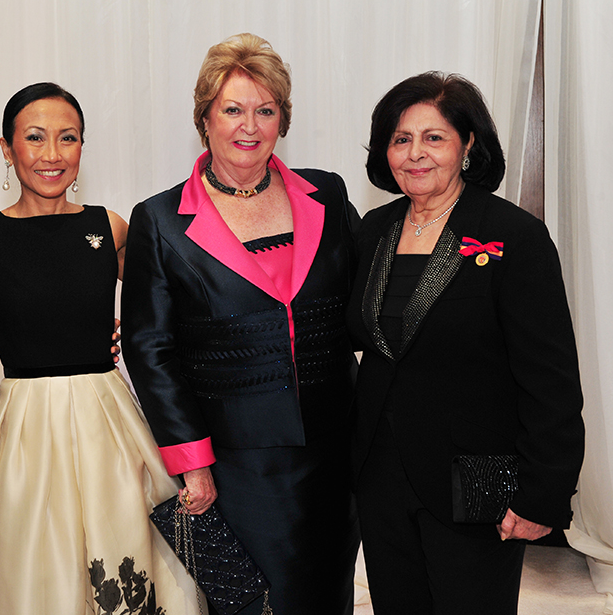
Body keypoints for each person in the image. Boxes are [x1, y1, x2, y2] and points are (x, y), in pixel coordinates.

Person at [121, 33, 361, 614]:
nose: (249, 127)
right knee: (257, 603)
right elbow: (150, 350)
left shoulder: (327, 194)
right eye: (232, 109)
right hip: (236, 464)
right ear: (204, 118)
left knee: (329, 596)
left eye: (265, 110)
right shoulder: (160, 220)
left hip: (336, 451)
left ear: (283, 119)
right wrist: (192, 462)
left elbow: (368, 300)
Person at [0, 83, 201, 615]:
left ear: (83, 147)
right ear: (6, 149)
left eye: (67, 138)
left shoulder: (108, 226)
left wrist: (128, 330)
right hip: (26, 425)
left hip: (106, 419)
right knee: (36, 559)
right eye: (34, 138)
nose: (52, 154)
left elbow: (170, 305)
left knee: (123, 540)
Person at [348, 71, 585, 614]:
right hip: (382, 477)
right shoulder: (374, 230)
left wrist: (542, 494)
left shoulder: (513, 236)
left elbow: (550, 380)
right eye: (401, 139)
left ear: (468, 144)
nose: (415, 153)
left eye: (434, 137)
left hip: (476, 481)